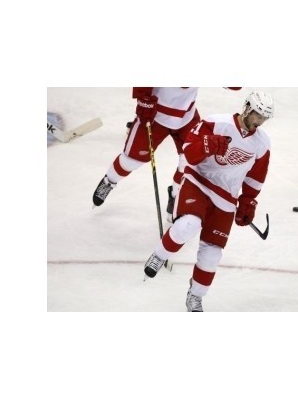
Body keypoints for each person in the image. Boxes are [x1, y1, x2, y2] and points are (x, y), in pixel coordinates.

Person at [141, 91, 274, 312]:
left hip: (226, 197)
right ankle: (159, 255)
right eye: (257, 115)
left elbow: (255, 177)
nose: (259, 121)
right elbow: (188, 152)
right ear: (247, 108)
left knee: (212, 255)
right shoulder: (216, 122)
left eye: (264, 118)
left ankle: (195, 296)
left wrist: (248, 201)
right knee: (188, 225)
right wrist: (207, 145)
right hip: (199, 181)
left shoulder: (262, 143)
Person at [91, 87, 242, 221]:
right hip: (155, 115)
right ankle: (109, 181)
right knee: (131, 161)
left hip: (186, 118)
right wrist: (143, 97)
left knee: (189, 163)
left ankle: (176, 198)